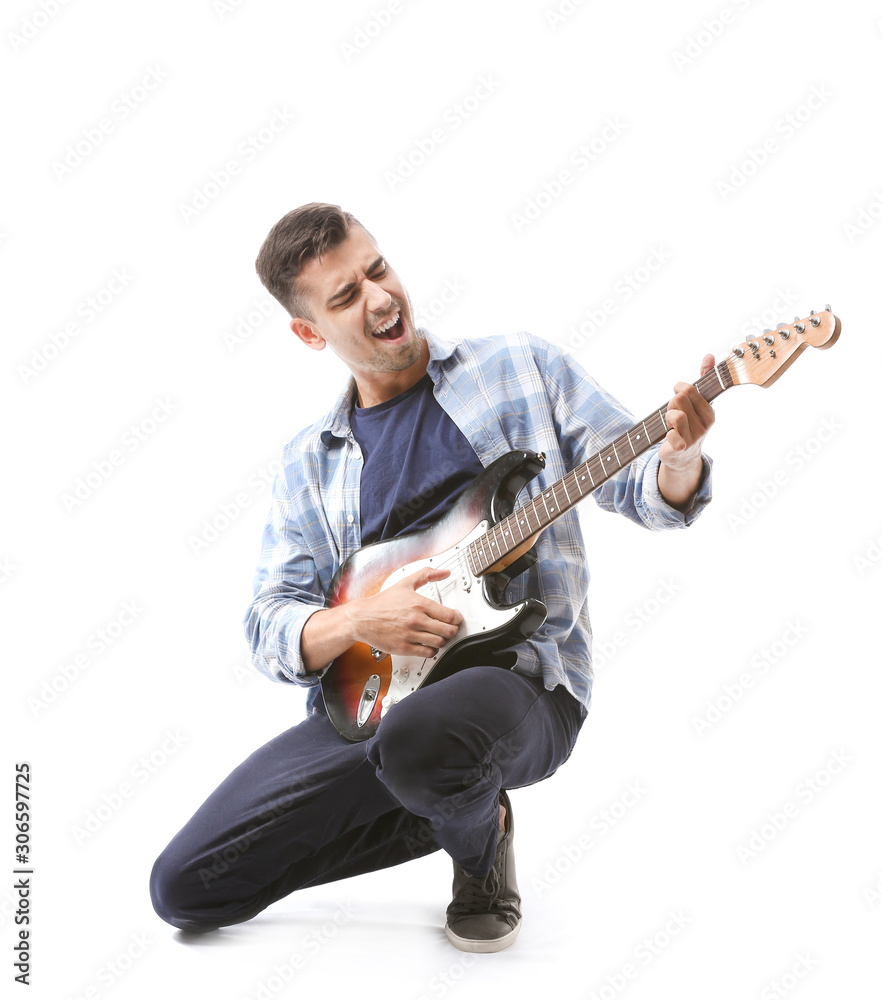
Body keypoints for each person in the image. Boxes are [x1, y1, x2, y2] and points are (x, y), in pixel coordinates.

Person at [149, 202, 715, 953]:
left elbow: (641, 487)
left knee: (423, 737)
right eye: (345, 296)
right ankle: (455, 803)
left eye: (375, 269)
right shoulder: (308, 463)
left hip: (523, 685)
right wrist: (357, 622)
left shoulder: (518, 367)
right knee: (185, 887)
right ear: (309, 332)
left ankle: (477, 850)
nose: (380, 297)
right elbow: (267, 622)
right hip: (367, 707)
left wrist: (677, 460)